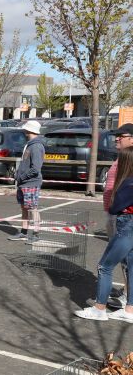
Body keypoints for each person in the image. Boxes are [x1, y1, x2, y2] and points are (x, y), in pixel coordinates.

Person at [76, 146, 133, 322]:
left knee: (105, 266)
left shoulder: (128, 182)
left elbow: (114, 207)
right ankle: (130, 309)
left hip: (128, 224)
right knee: (131, 266)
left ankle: (99, 308)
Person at [98, 123, 133, 309]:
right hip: (115, 212)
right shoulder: (122, 158)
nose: (117, 138)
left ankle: (127, 298)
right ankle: (128, 296)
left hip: (123, 214)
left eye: (122, 135)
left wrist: (117, 210)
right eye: (116, 135)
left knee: (120, 260)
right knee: (125, 260)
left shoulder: (130, 159)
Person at [9, 120, 45, 243]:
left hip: (31, 183)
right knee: (24, 208)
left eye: (26, 130)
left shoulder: (36, 146)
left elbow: (35, 168)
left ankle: (36, 233)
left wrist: (22, 176)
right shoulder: (30, 145)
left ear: (30, 130)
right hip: (24, 183)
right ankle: (24, 232)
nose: (24, 132)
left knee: (33, 208)